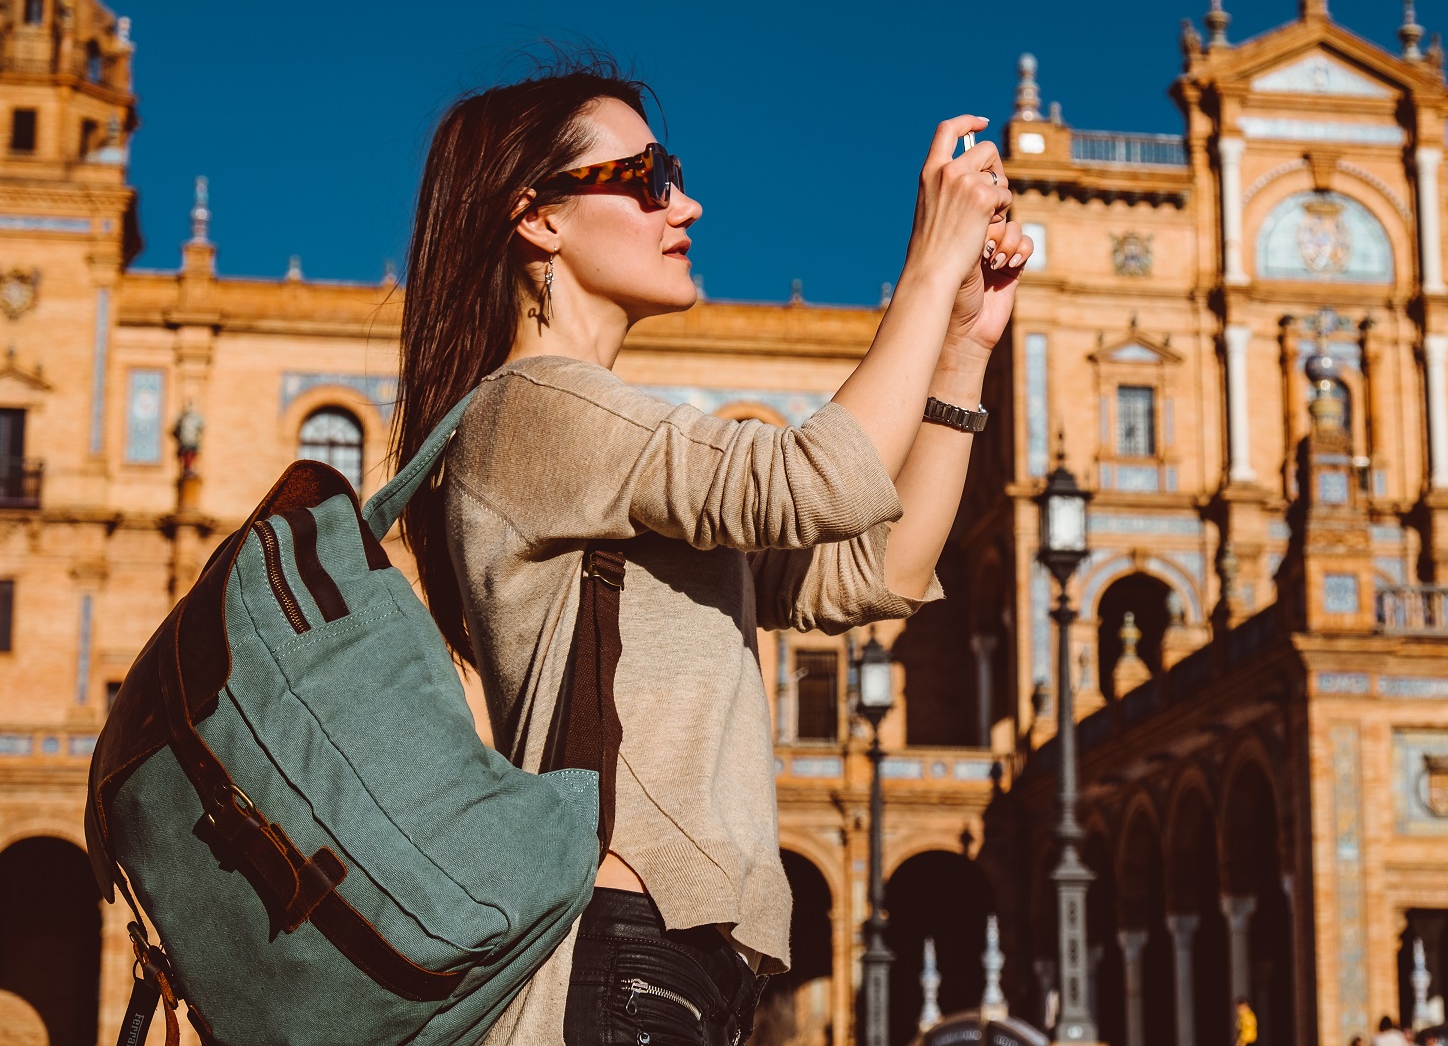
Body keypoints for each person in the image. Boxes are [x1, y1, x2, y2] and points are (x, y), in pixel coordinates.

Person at [392, 56, 1030, 1046]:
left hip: (682, 951)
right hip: (622, 941)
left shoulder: (603, 437)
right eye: (647, 180)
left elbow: (878, 571)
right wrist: (929, 267)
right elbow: (812, 478)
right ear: (539, 218)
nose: (684, 205)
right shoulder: (534, 407)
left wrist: (965, 352)